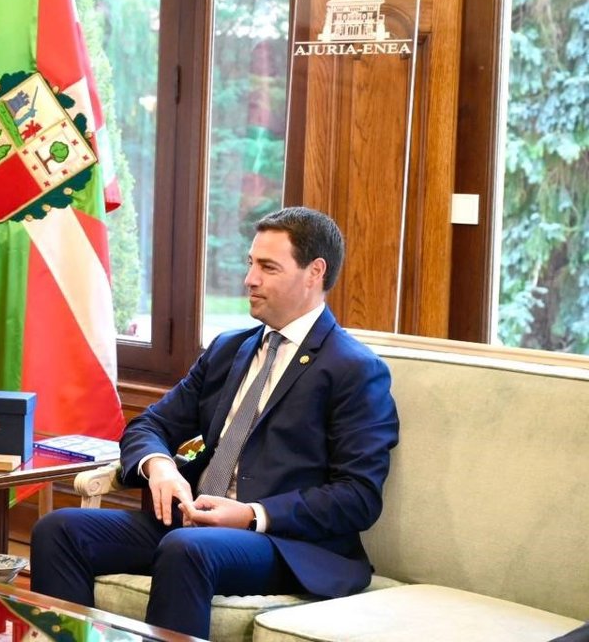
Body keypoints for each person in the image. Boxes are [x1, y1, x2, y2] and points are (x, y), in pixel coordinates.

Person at [30, 206, 399, 638]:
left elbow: (357, 496)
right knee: (59, 530)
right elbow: (149, 425)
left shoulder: (353, 369)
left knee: (187, 548)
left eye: (268, 268)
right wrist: (160, 467)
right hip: (192, 526)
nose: (250, 279)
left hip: (284, 544)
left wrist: (250, 515)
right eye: (250, 263)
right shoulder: (228, 350)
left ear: (314, 272)